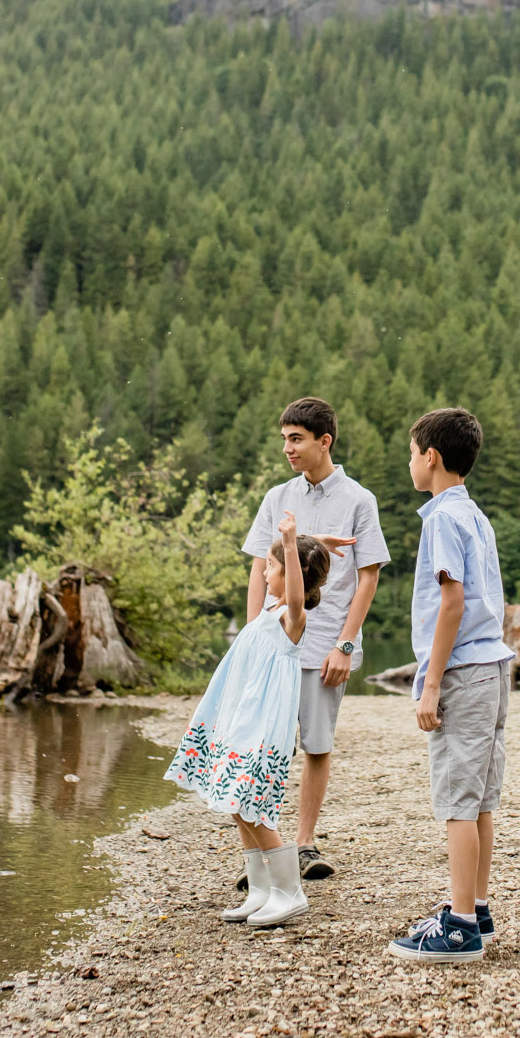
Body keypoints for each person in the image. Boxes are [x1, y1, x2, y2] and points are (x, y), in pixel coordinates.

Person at [238, 397, 390, 883]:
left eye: (296, 438)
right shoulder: (276, 496)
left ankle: (303, 845)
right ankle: (267, 852)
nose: (287, 448)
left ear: (324, 441)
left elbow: (367, 579)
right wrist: (249, 638)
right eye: (284, 438)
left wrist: (346, 646)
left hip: (325, 643)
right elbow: (260, 569)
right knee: (262, 746)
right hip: (272, 643)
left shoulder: (359, 500)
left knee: (316, 746)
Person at [387, 407, 513, 965]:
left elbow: (452, 602)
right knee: (480, 797)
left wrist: (430, 682)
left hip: (463, 670)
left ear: (431, 457)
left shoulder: (441, 518)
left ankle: (460, 928)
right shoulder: (476, 516)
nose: (410, 462)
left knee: (458, 801)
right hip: (495, 667)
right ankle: (477, 906)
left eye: (412, 452)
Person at [165, 511, 329, 928]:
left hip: (263, 727)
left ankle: (289, 892)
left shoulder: (292, 617)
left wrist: (291, 546)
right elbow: (291, 580)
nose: (265, 570)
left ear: (291, 574)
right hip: (240, 719)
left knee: (253, 806)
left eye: (270, 566)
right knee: (236, 804)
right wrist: (312, 541)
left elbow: (296, 593)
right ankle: (260, 890)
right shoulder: (268, 608)